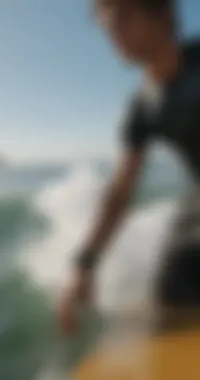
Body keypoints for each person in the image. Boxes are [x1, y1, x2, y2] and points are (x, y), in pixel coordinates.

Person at [59, 0, 200, 334]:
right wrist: (85, 265)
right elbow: (120, 191)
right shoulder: (142, 107)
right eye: (106, 23)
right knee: (173, 282)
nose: (112, 31)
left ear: (162, 14)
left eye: (121, 17)